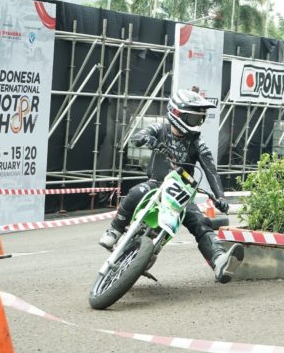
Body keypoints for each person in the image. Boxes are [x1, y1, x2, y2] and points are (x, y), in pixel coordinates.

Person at [99, 89, 245, 284]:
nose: (197, 122)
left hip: (181, 193)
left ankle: (220, 261)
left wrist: (220, 197)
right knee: (135, 192)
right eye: (193, 118)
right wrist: (146, 138)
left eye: (199, 119)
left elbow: (211, 171)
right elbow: (137, 136)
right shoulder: (160, 129)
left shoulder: (197, 143)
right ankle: (115, 230)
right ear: (177, 114)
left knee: (201, 222)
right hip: (156, 185)